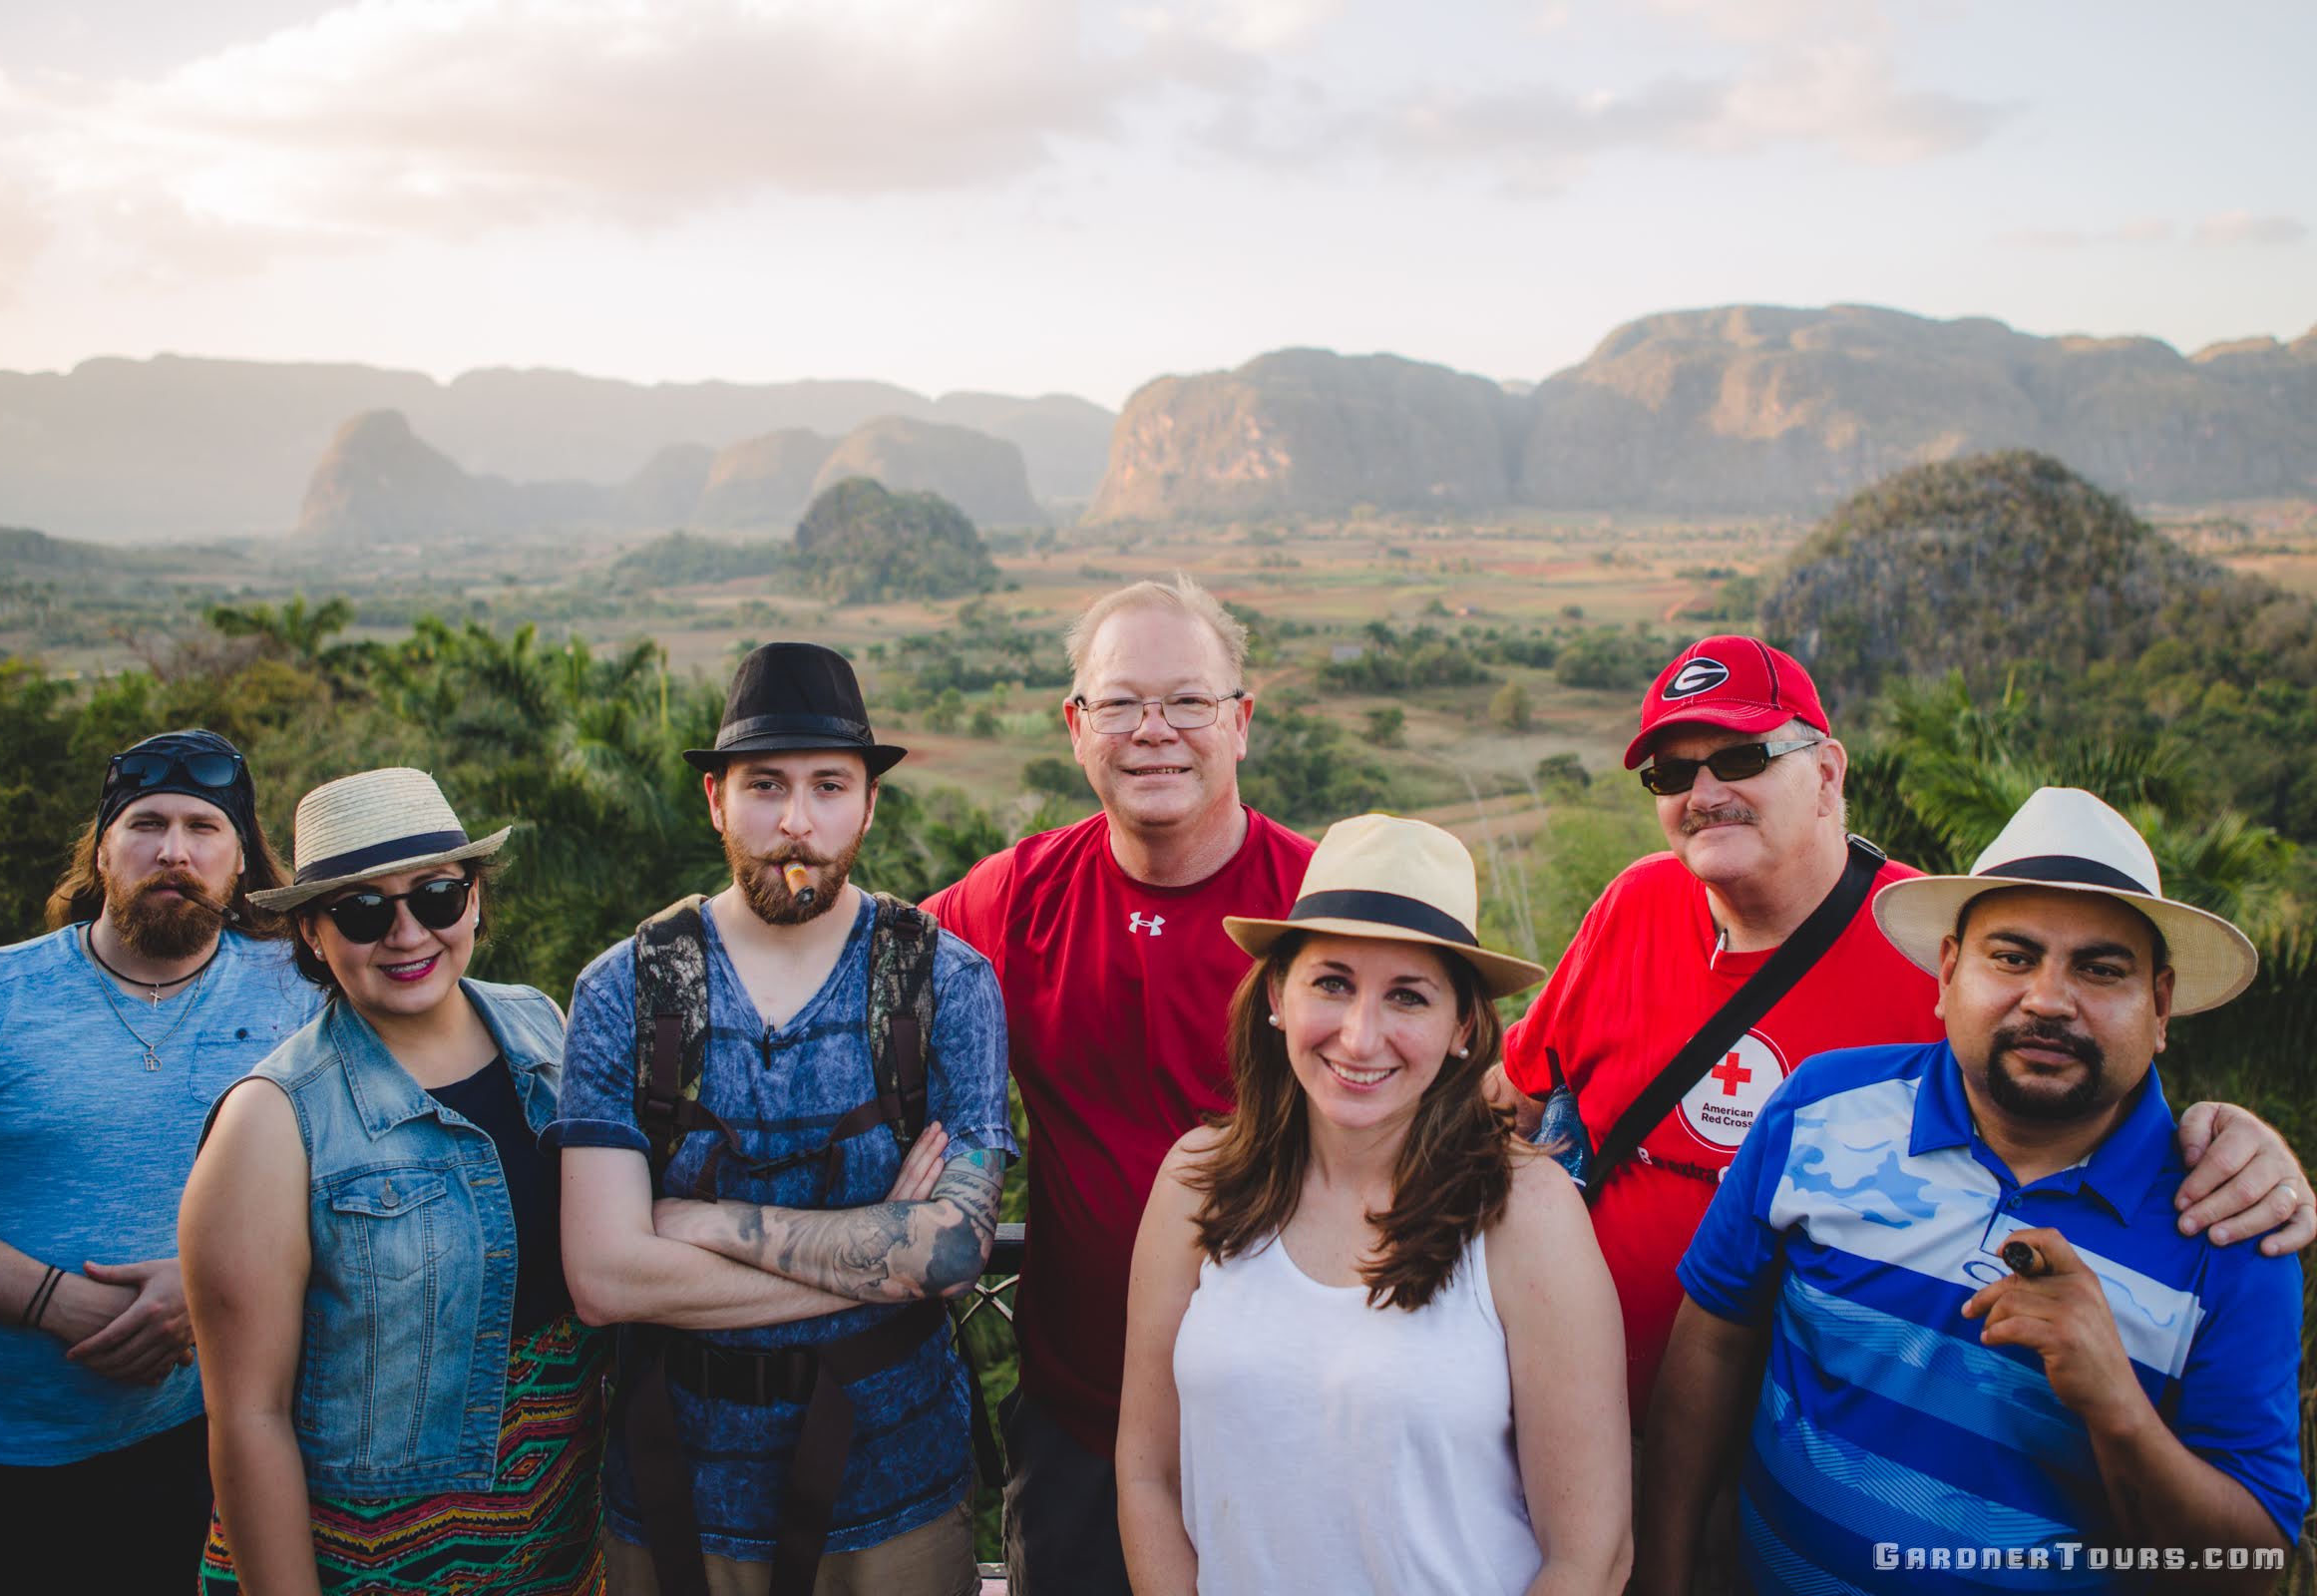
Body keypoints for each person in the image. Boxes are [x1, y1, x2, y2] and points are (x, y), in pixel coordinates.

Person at [1497, 634, 2313, 1422]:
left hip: (1801, 1446)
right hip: (1578, 1407)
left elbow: (2074, 1100)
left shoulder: (1953, 961)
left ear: (1825, 773)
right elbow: (1522, 1095)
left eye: (1743, 757)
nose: (1704, 791)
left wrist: (2229, 1139)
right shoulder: (1633, 904)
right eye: (1673, 772)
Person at [1641, 787, 2306, 1592]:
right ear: (1950, 971)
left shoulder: (2230, 1229)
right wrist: (1665, 1573)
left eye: (2101, 969)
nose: (2049, 1000)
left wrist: (2117, 1408)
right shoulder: (1816, 1108)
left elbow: (2252, 1565)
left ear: (2158, 1006)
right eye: (2012, 957)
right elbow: (1714, 1340)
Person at [558, 641, 1015, 1596]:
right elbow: (603, 1278)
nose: (796, 822)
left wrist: (699, 1228)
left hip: (898, 1490)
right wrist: (879, 1258)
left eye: (828, 786)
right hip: (673, 1487)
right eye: (764, 785)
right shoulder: (630, 990)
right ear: (717, 799)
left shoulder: (943, 983)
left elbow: (954, 1250)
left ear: (869, 803)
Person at [1116, 814, 1631, 1595]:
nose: (1361, 1038)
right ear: (1277, 998)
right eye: (1332, 983)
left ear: (1463, 1027)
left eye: (1408, 997)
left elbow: (1591, 1553)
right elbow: (1147, 1473)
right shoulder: (1197, 1180)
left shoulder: (1526, 1210)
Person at [922, 575, 1316, 1595]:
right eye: (1120, 703)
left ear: (1240, 721)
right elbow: (860, 979)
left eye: (1188, 701)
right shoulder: (1019, 896)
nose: (1154, 732)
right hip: (1079, 1421)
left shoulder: (1318, 906)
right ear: (1075, 725)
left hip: (1298, 1416)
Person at [181, 766, 603, 1595]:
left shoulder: (538, 1023)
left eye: (438, 896)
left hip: (559, 1528)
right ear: (310, 933)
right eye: (364, 910)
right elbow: (249, 1419)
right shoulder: (270, 1124)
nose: (408, 934)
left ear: (475, 898)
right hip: (371, 1561)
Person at [0, 727, 318, 1586]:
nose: (173, 850)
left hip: (193, 1443)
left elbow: (354, 1178)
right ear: (101, 850)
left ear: (243, 861)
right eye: (145, 824)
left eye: (204, 828)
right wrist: (50, 1303)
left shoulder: (301, 991)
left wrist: (202, 1286)